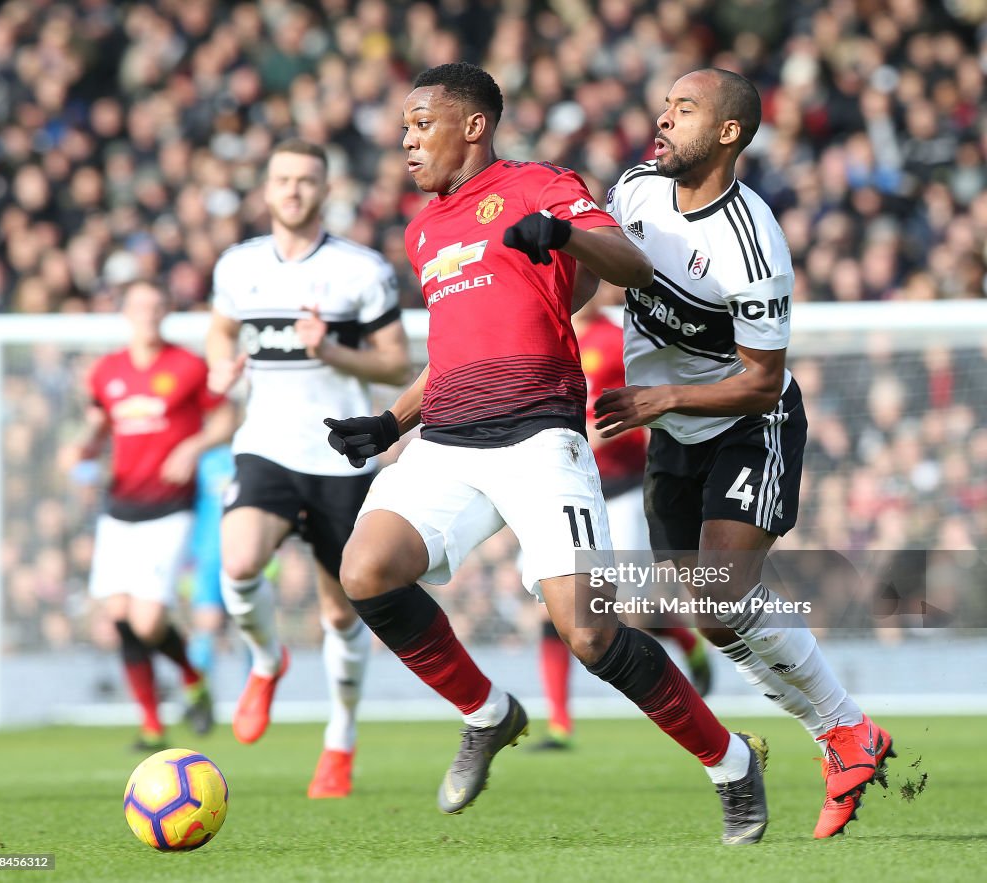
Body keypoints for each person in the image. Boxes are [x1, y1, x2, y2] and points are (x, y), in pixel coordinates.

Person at [325, 62, 769, 845]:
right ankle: (487, 713)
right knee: (363, 570)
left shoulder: (539, 184)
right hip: (448, 440)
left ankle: (731, 763)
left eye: (420, 123)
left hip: (538, 438)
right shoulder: (423, 227)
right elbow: (459, 352)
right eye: (403, 127)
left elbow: (632, 265)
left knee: (591, 634)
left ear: (473, 124)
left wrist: (565, 233)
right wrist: (391, 422)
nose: (405, 140)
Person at [597, 68, 895, 839]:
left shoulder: (753, 244)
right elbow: (592, 281)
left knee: (722, 594)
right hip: (670, 437)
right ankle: (848, 732)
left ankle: (840, 728)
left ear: (728, 133)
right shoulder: (634, 189)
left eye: (684, 109)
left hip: (745, 425)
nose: (662, 118)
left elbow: (762, 385)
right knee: (708, 615)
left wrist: (660, 398)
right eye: (662, 104)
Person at [205, 139, 410, 799]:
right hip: (265, 443)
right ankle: (267, 661)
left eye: (306, 180)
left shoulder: (360, 270)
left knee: (343, 611)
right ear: (266, 189)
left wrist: (333, 354)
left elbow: (397, 365)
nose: (293, 190)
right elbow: (219, 329)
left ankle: (340, 740)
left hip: (340, 454)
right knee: (236, 563)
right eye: (283, 179)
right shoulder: (238, 266)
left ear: (326, 190)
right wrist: (218, 364)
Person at [64, 279, 236, 749]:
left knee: (146, 620)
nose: (148, 312)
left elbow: (226, 417)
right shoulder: (107, 371)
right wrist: (82, 447)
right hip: (119, 508)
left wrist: (194, 445)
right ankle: (151, 723)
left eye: (157, 304)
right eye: (140, 304)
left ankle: (191, 678)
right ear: (125, 311)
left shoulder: (187, 365)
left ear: (165, 311)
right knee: (118, 614)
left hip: (169, 508)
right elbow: (99, 423)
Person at [534, 298, 712, 750]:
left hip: (622, 489)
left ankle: (685, 641)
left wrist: (610, 427)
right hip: (559, 487)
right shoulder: (538, 335)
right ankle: (559, 724)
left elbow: (653, 409)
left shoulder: (617, 339)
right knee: (551, 607)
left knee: (629, 613)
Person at [185, 443, 236, 694]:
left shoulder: (253, 450)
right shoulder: (201, 457)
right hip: (208, 554)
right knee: (206, 622)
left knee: (251, 625)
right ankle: (197, 691)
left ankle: (254, 690)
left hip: (248, 552)